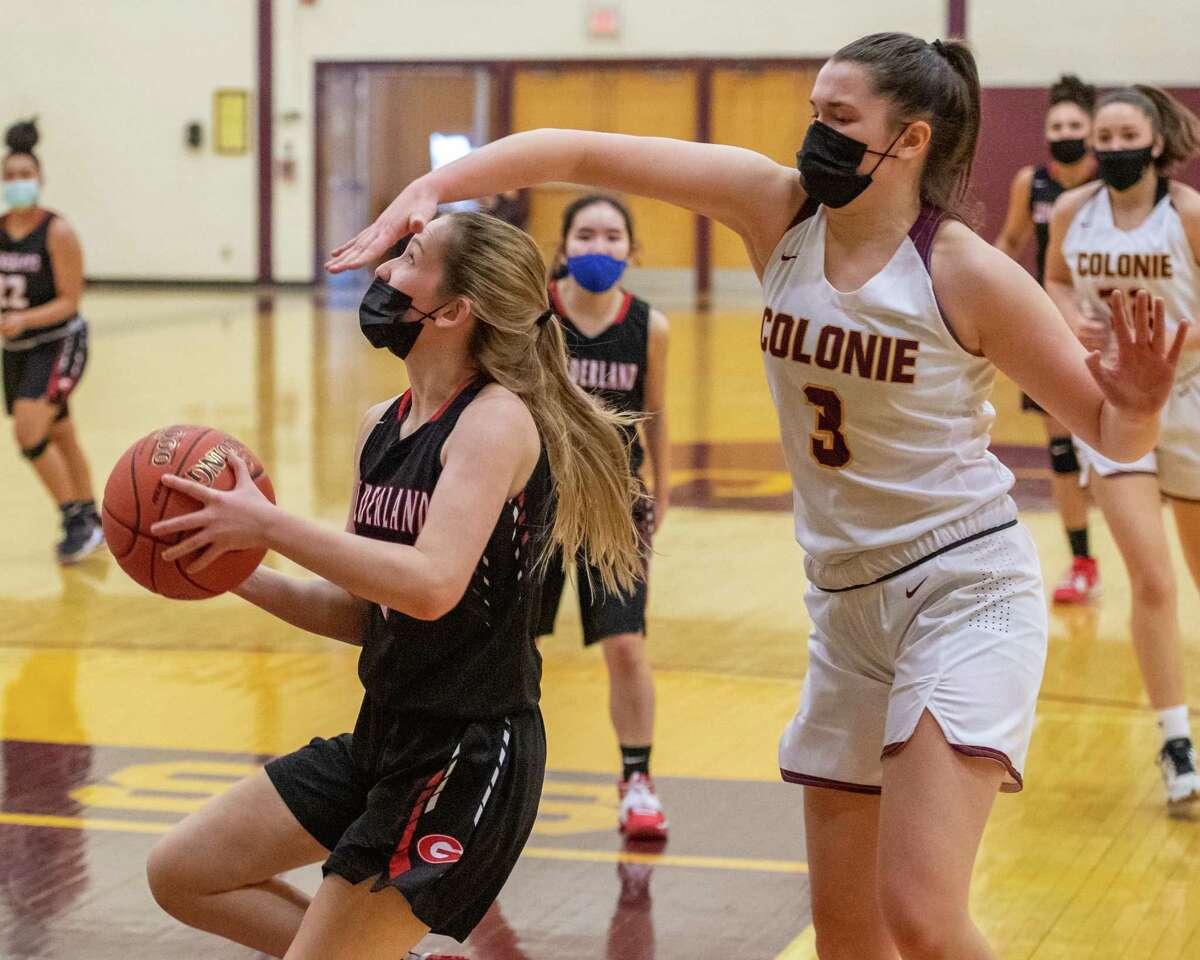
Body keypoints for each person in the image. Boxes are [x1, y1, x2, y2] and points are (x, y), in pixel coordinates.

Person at [328, 32, 1185, 960]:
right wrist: (431, 191)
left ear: (909, 140)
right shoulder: (775, 209)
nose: (813, 132)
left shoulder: (962, 270)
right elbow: (577, 150)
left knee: (923, 917)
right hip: (846, 605)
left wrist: (1138, 403)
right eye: (813, 111)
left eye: (838, 118)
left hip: (962, 591)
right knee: (847, 937)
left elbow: (1109, 436)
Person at [144, 212, 643, 960]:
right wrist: (224, 565)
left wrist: (271, 527)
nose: (381, 273)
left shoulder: (495, 422)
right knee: (183, 873)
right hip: (387, 732)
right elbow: (363, 611)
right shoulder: (384, 423)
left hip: (468, 752)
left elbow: (433, 585)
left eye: (408, 258)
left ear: (451, 311)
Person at [1044, 84, 1200, 811]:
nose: (1108, 147)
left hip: (1190, 402)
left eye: (1123, 134)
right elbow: (1054, 279)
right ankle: (1176, 745)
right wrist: (1070, 319)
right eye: (1100, 136)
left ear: (1157, 142)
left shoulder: (1189, 216)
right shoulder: (1074, 212)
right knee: (1154, 581)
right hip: (1112, 410)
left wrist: (1160, 351)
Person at [538, 195, 671, 839]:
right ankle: (491, 770)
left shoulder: (650, 325)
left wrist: (663, 489)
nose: (599, 246)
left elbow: (657, 412)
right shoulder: (533, 317)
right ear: (562, 247)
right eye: (585, 234)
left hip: (616, 505)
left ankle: (637, 780)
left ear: (632, 251)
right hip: (532, 500)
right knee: (510, 644)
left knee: (625, 644)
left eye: (613, 236)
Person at [994, 75, 1101, 603]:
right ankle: (1081, 560)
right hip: (1048, 326)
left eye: (1073, 125)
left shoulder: (1110, 188)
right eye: (1056, 125)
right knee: (1061, 449)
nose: (1063, 133)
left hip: (1105, 330)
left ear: (1092, 132)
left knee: (1109, 451)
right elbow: (1013, 240)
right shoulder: (1030, 182)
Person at [1, 119, 102, 563]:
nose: (19, 182)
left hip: (59, 342)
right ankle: (92, 517)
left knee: (29, 433)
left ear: (40, 179)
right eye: (11, 175)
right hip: (17, 349)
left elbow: (70, 301)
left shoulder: (57, 232)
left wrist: (25, 318)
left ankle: (73, 519)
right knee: (59, 431)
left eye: (26, 174)